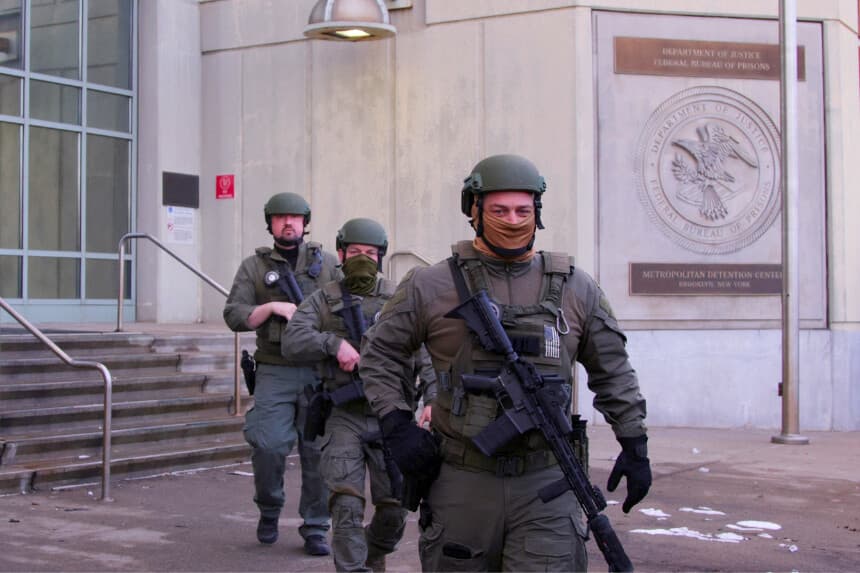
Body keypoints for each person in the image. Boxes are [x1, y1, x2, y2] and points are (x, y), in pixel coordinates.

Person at [359, 154, 651, 572]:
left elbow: (613, 370)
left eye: (523, 210)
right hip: (462, 480)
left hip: (547, 481)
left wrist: (634, 442)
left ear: (538, 213)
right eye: (499, 210)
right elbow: (380, 354)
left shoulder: (575, 287)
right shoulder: (431, 284)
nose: (512, 221)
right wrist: (396, 423)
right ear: (474, 211)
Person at [283, 218, 436, 572]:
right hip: (344, 415)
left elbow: (426, 352)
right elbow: (293, 339)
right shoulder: (324, 299)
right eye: (355, 252)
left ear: (381, 256)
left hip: (392, 415)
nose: (362, 258)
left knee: (395, 510)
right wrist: (333, 343)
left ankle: (371, 553)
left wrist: (433, 398)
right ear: (341, 254)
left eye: (370, 253)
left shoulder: (400, 297)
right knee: (346, 506)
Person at [223, 192, 340, 556]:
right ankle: (269, 508)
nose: (288, 223)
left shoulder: (329, 264)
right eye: (280, 218)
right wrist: (272, 306)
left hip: (320, 369)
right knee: (268, 444)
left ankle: (317, 526)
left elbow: (350, 304)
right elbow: (234, 314)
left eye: (294, 218)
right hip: (275, 368)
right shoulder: (254, 267)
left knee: (318, 451)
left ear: (305, 223)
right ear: (270, 223)